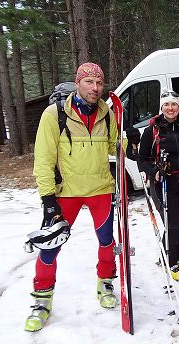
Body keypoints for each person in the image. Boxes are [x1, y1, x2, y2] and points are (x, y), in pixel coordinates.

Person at [27, 62, 118, 332]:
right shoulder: (54, 114)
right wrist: (47, 200)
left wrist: (132, 141)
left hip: (101, 187)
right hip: (66, 192)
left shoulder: (107, 115)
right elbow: (42, 160)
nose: (95, 88)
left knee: (106, 240)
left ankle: (106, 281)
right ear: (77, 83)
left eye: (99, 83)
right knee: (51, 245)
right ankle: (42, 298)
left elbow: (115, 145)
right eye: (89, 82)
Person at [126, 90, 179, 281]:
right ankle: (169, 259)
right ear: (161, 108)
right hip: (163, 183)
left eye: (174, 105)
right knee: (174, 224)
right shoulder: (151, 130)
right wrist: (154, 171)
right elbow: (141, 159)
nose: (170, 108)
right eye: (167, 105)